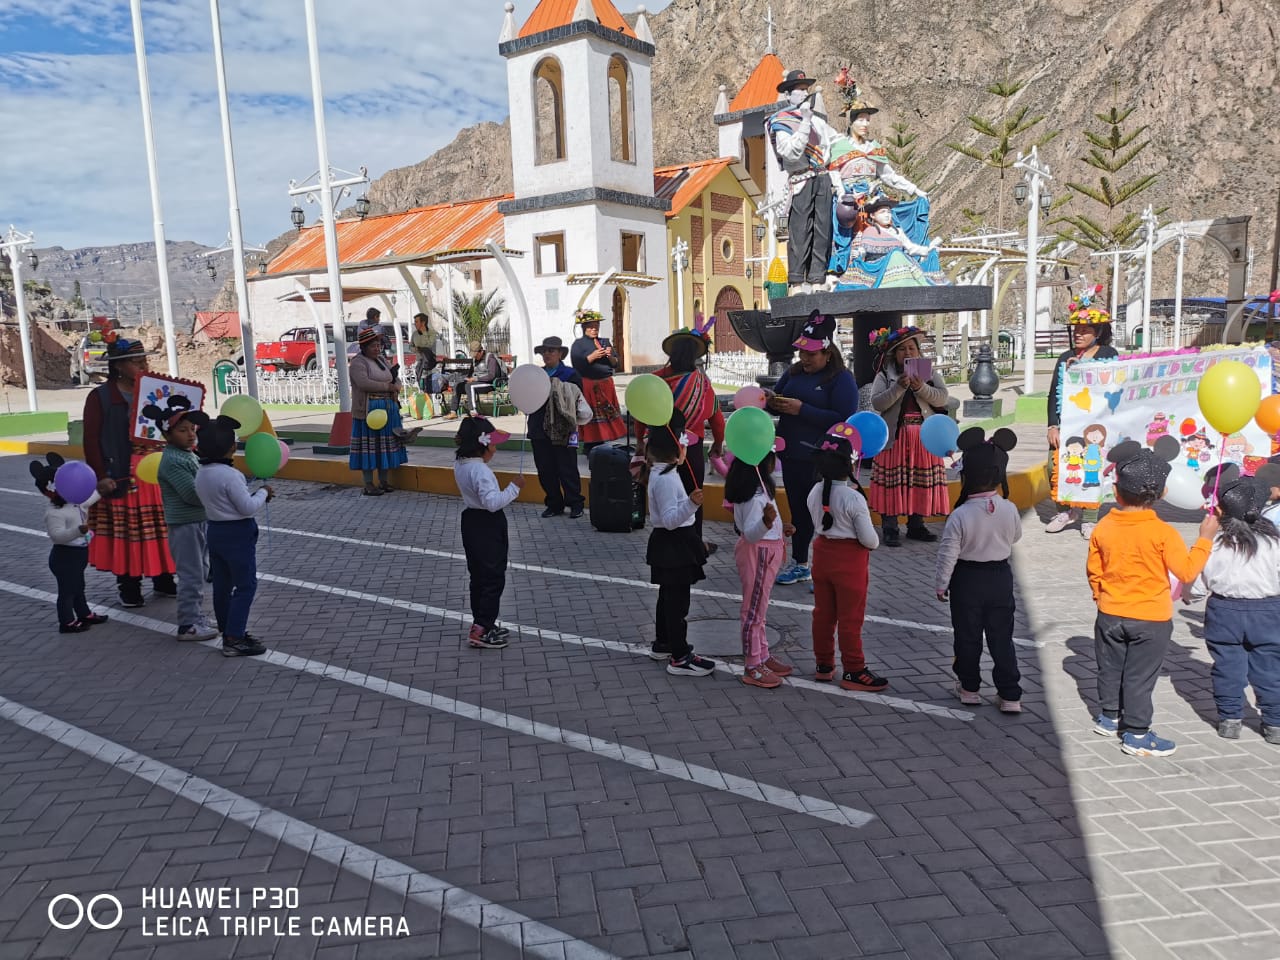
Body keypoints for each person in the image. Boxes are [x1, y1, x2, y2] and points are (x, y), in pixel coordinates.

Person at [1087, 443, 1218, 757]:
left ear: (1117, 493)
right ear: (1161, 494)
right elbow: (1186, 572)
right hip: (1151, 619)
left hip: (1110, 613)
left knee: (1110, 668)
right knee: (1139, 677)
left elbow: (1094, 570)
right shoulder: (1164, 533)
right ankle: (1136, 734)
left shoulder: (1103, 526)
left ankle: (1108, 717)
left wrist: (1102, 598)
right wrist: (1205, 540)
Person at [81, 336, 177, 607]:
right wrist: (101, 475)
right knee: (128, 533)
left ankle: (164, 576)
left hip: (156, 474)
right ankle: (129, 584)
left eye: (145, 360)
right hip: (123, 474)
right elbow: (92, 440)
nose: (144, 365)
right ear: (119, 366)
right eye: (137, 362)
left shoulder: (156, 392)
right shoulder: (100, 397)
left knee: (161, 529)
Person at [935, 429, 1023, 712]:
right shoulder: (1008, 508)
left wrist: (941, 583)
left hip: (967, 579)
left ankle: (970, 688)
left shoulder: (961, 514)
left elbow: (948, 553)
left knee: (967, 636)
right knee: (1001, 637)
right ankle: (1010, 694)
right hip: (1000, 577)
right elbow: (1016, 537)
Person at [767, 312, 858, 584]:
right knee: (798, 508)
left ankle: (827, 567)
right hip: (792, 453)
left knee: (820, 510)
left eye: (811, 354)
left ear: (828, 353)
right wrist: (772, 401)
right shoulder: (793, 373)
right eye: (802, 352)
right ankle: (801, 562)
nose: (804, 358)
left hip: (823, 458)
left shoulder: (841, 379)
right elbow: (778, 395)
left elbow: (843, 417)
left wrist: (802, 409)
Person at [1190, 478, 1280, 743]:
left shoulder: (1214, 543)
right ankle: (1275, 723)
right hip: (1268, 610)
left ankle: (1229, 720)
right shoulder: (1274, 544)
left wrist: (1189, 595)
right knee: (1270, 667)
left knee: (1227, 666)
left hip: (1223, 611)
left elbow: (1196, 585)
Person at [807, 424, 885, 690]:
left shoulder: (814, 492)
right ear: (849, 467)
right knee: (850, 618)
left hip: (822, 555)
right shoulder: (853, 499)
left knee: (823, 614)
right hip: (849, 562)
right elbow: (869, 540)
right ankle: (853, 669)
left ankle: (824, 665)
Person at [634, 322, 725, 544]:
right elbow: (717, 419)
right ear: (695, 356)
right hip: (690, 449)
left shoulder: (655, 380)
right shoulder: (702, 384)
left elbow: (640, 415)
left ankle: (667, 541)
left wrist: (640, 442)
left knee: (662, 494)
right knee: (694, 495)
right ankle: (695, 542)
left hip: (659, 448)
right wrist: (717, 444)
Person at [645, 410, 716, 677]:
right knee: (677, 603)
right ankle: (679, 655)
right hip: (673, 544)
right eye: (684, 442)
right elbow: (671, 520)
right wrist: (692, 503)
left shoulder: (665, 472)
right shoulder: (664, 478)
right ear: (676, 449)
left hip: (674, 544)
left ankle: (663, 643)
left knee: (667, 598)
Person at [1046, 287, 1120, 537]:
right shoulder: (1064, 357)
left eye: (1084, 330)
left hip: (1094, 425)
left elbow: (1110, 385)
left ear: (1097, 333)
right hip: (1067, 423)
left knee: (1091, 467)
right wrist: (1052, 425)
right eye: (1076, 330)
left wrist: (1083, 368)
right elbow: (1053, 392)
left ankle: (1089, 517)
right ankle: (1065, 510)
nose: (1078, 335)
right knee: (1055, 466)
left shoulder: (1109, 355)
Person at [194, 414, 270, 658]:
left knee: (222, 586)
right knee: (246, 585)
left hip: (215, 530)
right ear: (232, 448)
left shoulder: (202, 473)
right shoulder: (230, 476)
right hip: (237, 533)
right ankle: (235, 637)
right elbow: (246, 507)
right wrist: (263, 493)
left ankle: (228, 630)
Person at [868, 326, 951, 546]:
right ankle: (890, 528)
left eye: (912, 348)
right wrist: (898, 387)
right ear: (894, 354)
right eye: (902, 349)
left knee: (918, 481)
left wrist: (921, 387)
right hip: (895, 438)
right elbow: (877, 403)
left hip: (923, 438)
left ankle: (916, 525)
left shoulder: (930, 374)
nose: (908, 352)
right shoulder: (885, 375)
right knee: (893, 482)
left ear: (918, 350)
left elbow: (942, 399)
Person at [146, 400, 219, 641]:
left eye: (192, 429)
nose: (190, 434)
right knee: (191, 574)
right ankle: (188, 624)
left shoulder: (188, 455)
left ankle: (196, 615)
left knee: (201, 570)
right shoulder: (173, 460)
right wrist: (217, 491)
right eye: (182, 430)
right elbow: (191, 494)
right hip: (185, 525)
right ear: (167, 433)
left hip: (199, 521)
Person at [725, 450, 795, 688]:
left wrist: (778, 527)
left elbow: (758, 525)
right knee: (753, 611)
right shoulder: (753, 497)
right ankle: (752, 664)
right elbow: (751, 534)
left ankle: (762, 655)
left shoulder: (759, 490)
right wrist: (767, 523)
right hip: (759, 554)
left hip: (766, 552)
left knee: (760, 609)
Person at [454, 416, 523, 649]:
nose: (495, 448)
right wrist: (514, 488)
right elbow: (493, 502)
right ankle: (482, 629)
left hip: (471, 521)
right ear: (482, 444)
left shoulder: (461, 464)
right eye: (492, 443)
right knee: (493, 577)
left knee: (478, 577)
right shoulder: (480, 471)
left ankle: (481, 622)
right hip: (488, 524)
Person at [767, 69, 839, 292]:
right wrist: (805, 122)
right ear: (788, 95)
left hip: (822, 177)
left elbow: (834, 145)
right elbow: (790, 152)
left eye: (805, 90)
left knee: (823, 229)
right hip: (801, 178)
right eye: (798, 91)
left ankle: (817, 278)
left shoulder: (819, 122)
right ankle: (797, 281)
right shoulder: (781, 121)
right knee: (800, 229)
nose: (803, 94)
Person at [30, 453, 109, 633]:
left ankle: (84, 613)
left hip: (78, 553)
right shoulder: (54, 512)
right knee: (67, 592)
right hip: (64, 557)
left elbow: (89, 500)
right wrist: (77, 531)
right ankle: (66, 622)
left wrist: (102, 489)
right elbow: (57, 536)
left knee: (78, 586)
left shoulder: (74, 502)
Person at [529, 336, 591, 519]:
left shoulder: (571, 375)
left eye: (551, 351)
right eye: (544, 351)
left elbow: (575, 398)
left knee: (567, 467)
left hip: (562, 428)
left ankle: (575, 503)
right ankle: (554, 503)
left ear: (560, 354)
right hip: (539, 428)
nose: (547, 354)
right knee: (545, 469)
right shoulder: (535, 375)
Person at [349, 327, 415, 496]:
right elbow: (363, 383)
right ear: (364, 347)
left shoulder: (382, 360)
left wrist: (397, 386)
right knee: (370, 447)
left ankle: (384, 480)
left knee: (384, 446)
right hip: (369, 411)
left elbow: (394, 377)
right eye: (373, 346)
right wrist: (388, 387)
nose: (377, 349)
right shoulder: (358, 363)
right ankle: (369, 483)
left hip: (387, 408)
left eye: (378, 345)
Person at [834, 196, 943, 288]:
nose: (887, 215)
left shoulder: (897, 232)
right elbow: (864, 250)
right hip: (877, 268)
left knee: (898, 255)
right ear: (873, 216)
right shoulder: (869, 231)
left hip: (898, 266)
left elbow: (911, 248)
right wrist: (859, 253)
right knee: (896, 255)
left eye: (889, 212)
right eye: (882, 212)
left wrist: (928, 250)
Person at [570, 310, 626, 450]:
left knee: (607, 415)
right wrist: (592, 356)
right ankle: (590, 445)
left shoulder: (604, 342)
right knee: (592, 417)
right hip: (589, 386)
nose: (594, 329)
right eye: (591, 327)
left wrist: (610, 356)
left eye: (596, 326)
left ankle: (604, 441)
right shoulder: (579, 344)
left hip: (606, 385)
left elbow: (615, 363)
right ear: (584, 328)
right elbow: (577, 364)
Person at [446, 341, 500, 419]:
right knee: (457, 386)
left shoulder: (490, 359)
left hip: (488, 384)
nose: (474, 357)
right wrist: (466, 379)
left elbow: (492, 376)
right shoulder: (474, 360)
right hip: (475, 383)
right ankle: (453, 412)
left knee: (469, 386)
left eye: (476, 355)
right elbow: (470, 374)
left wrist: (476, 378)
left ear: (481, 351)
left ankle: (473, 411)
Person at [410, 313, 439, 394]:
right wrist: (415, 349)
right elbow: (410, 346)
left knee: (429, 385)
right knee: (421, 385)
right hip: (419, 362)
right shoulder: (415, 334)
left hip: (429, 363)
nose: (415, 324)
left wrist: (424, 333)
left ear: (423, 323)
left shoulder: (432, 333)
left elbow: (429, 344)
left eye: (416, 322)